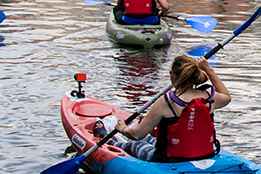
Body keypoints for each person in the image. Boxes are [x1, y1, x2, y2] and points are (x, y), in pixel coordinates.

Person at [98, 55, 230, 162]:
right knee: (151, 139)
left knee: (136, 144)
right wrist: (208, 69)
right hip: (204, 154)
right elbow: (226, 97)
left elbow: (137, 135)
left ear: (175, 76)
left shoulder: (167, 101)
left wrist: (122, 128)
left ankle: (108, 140)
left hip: (168, 160)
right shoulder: (209, 97)